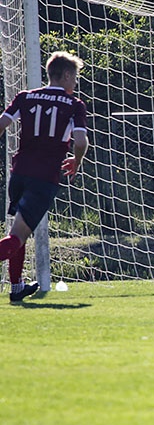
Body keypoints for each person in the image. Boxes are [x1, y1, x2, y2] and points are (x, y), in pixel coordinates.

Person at [0, 51, 89, 302]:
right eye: (75, 77)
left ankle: (16, 287)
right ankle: (16, 286)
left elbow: (1, 124)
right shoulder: (74, 104)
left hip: (18, 174)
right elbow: (81, 141)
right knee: (17, 237)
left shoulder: (25, 97)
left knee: (19, 233)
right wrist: (77, 160)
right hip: (43, 178)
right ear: (67, 75)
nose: (75, 83)